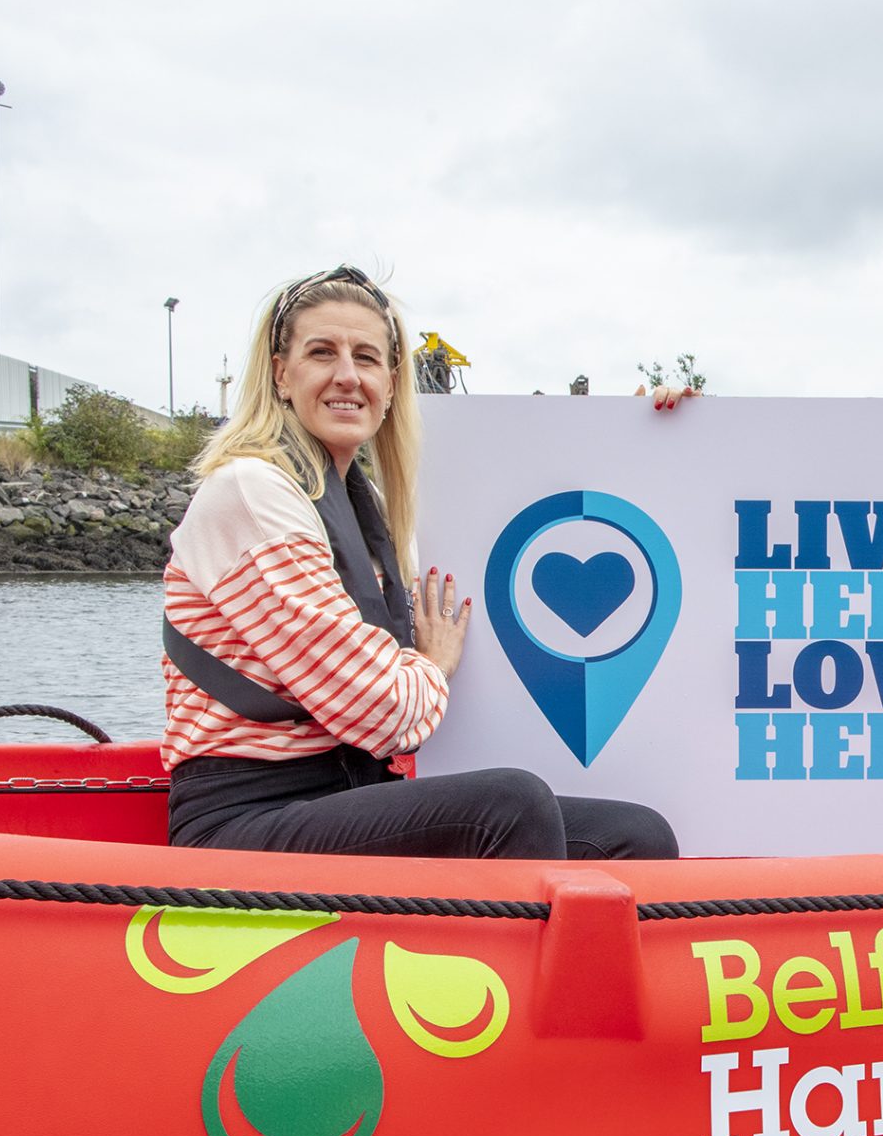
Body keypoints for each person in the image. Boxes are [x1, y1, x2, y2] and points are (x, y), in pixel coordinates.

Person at [161, 265, 680, 860]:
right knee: (510, 804)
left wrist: (647, 440)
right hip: (244, 814)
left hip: (350, 792)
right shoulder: (252, 491)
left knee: (638, 835)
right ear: (281, 374)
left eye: (367, 357)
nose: (347, 376)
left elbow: (514, 514)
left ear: (390, 380)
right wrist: (430, 664)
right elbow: (379, 711)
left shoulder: (368, 506)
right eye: (322, 352)